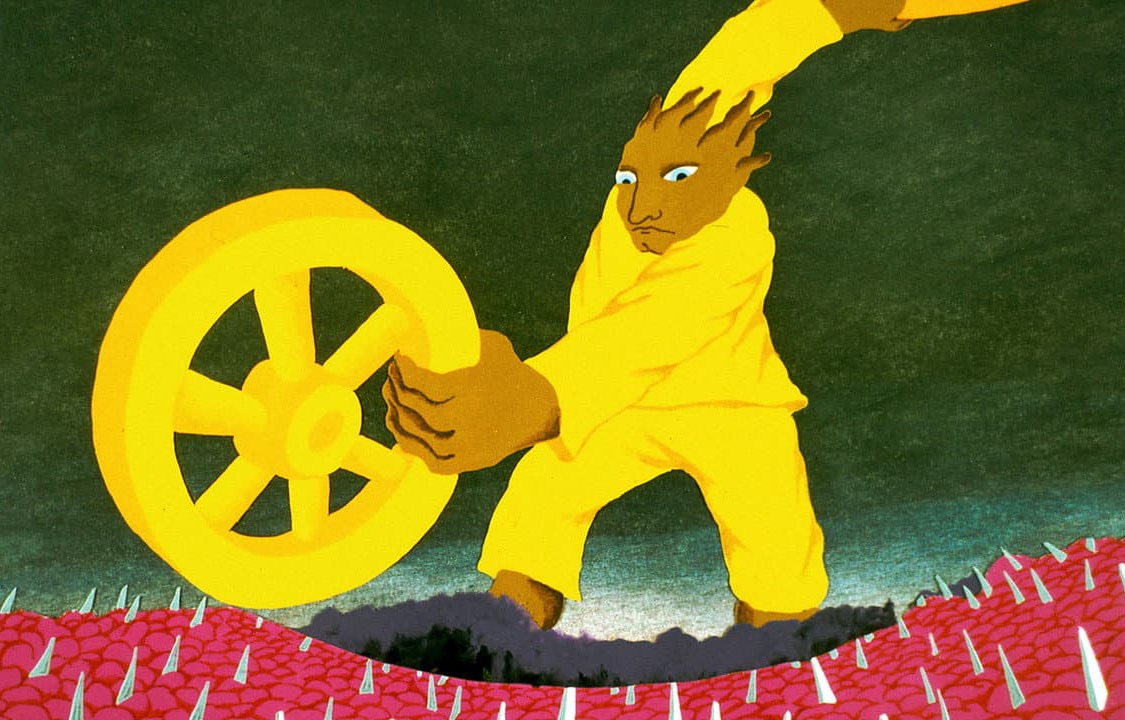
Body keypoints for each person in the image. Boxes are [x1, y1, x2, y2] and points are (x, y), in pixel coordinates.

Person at [384, 0, 910, 630]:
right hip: (621, 407)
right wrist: (824, 10)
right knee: (543, 495)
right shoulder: (648, 182)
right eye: (629, 178)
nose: (641, 206)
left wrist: (532, 398)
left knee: (775, 535)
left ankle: (778, 643)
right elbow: (734, 63)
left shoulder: (736, 239)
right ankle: (505, 629)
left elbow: (650, 331)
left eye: (677, 178)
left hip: (728, 405)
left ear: (728, 179)